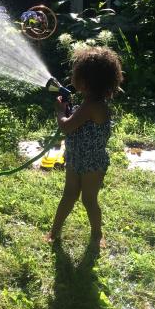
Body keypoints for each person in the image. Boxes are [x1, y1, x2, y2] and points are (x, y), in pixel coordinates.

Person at [47, 46, 123, 246]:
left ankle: (97, 234)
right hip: (77, 158)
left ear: (85, 82)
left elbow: (66, 126)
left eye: (75, 73)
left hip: (92, 163)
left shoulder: (91, 106)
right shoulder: (90, 102)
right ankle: (54, 231)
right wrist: (69, 108)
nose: (72, 76)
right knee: (69, 196)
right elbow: (77, 122)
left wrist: (60, 111)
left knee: (88, 200)